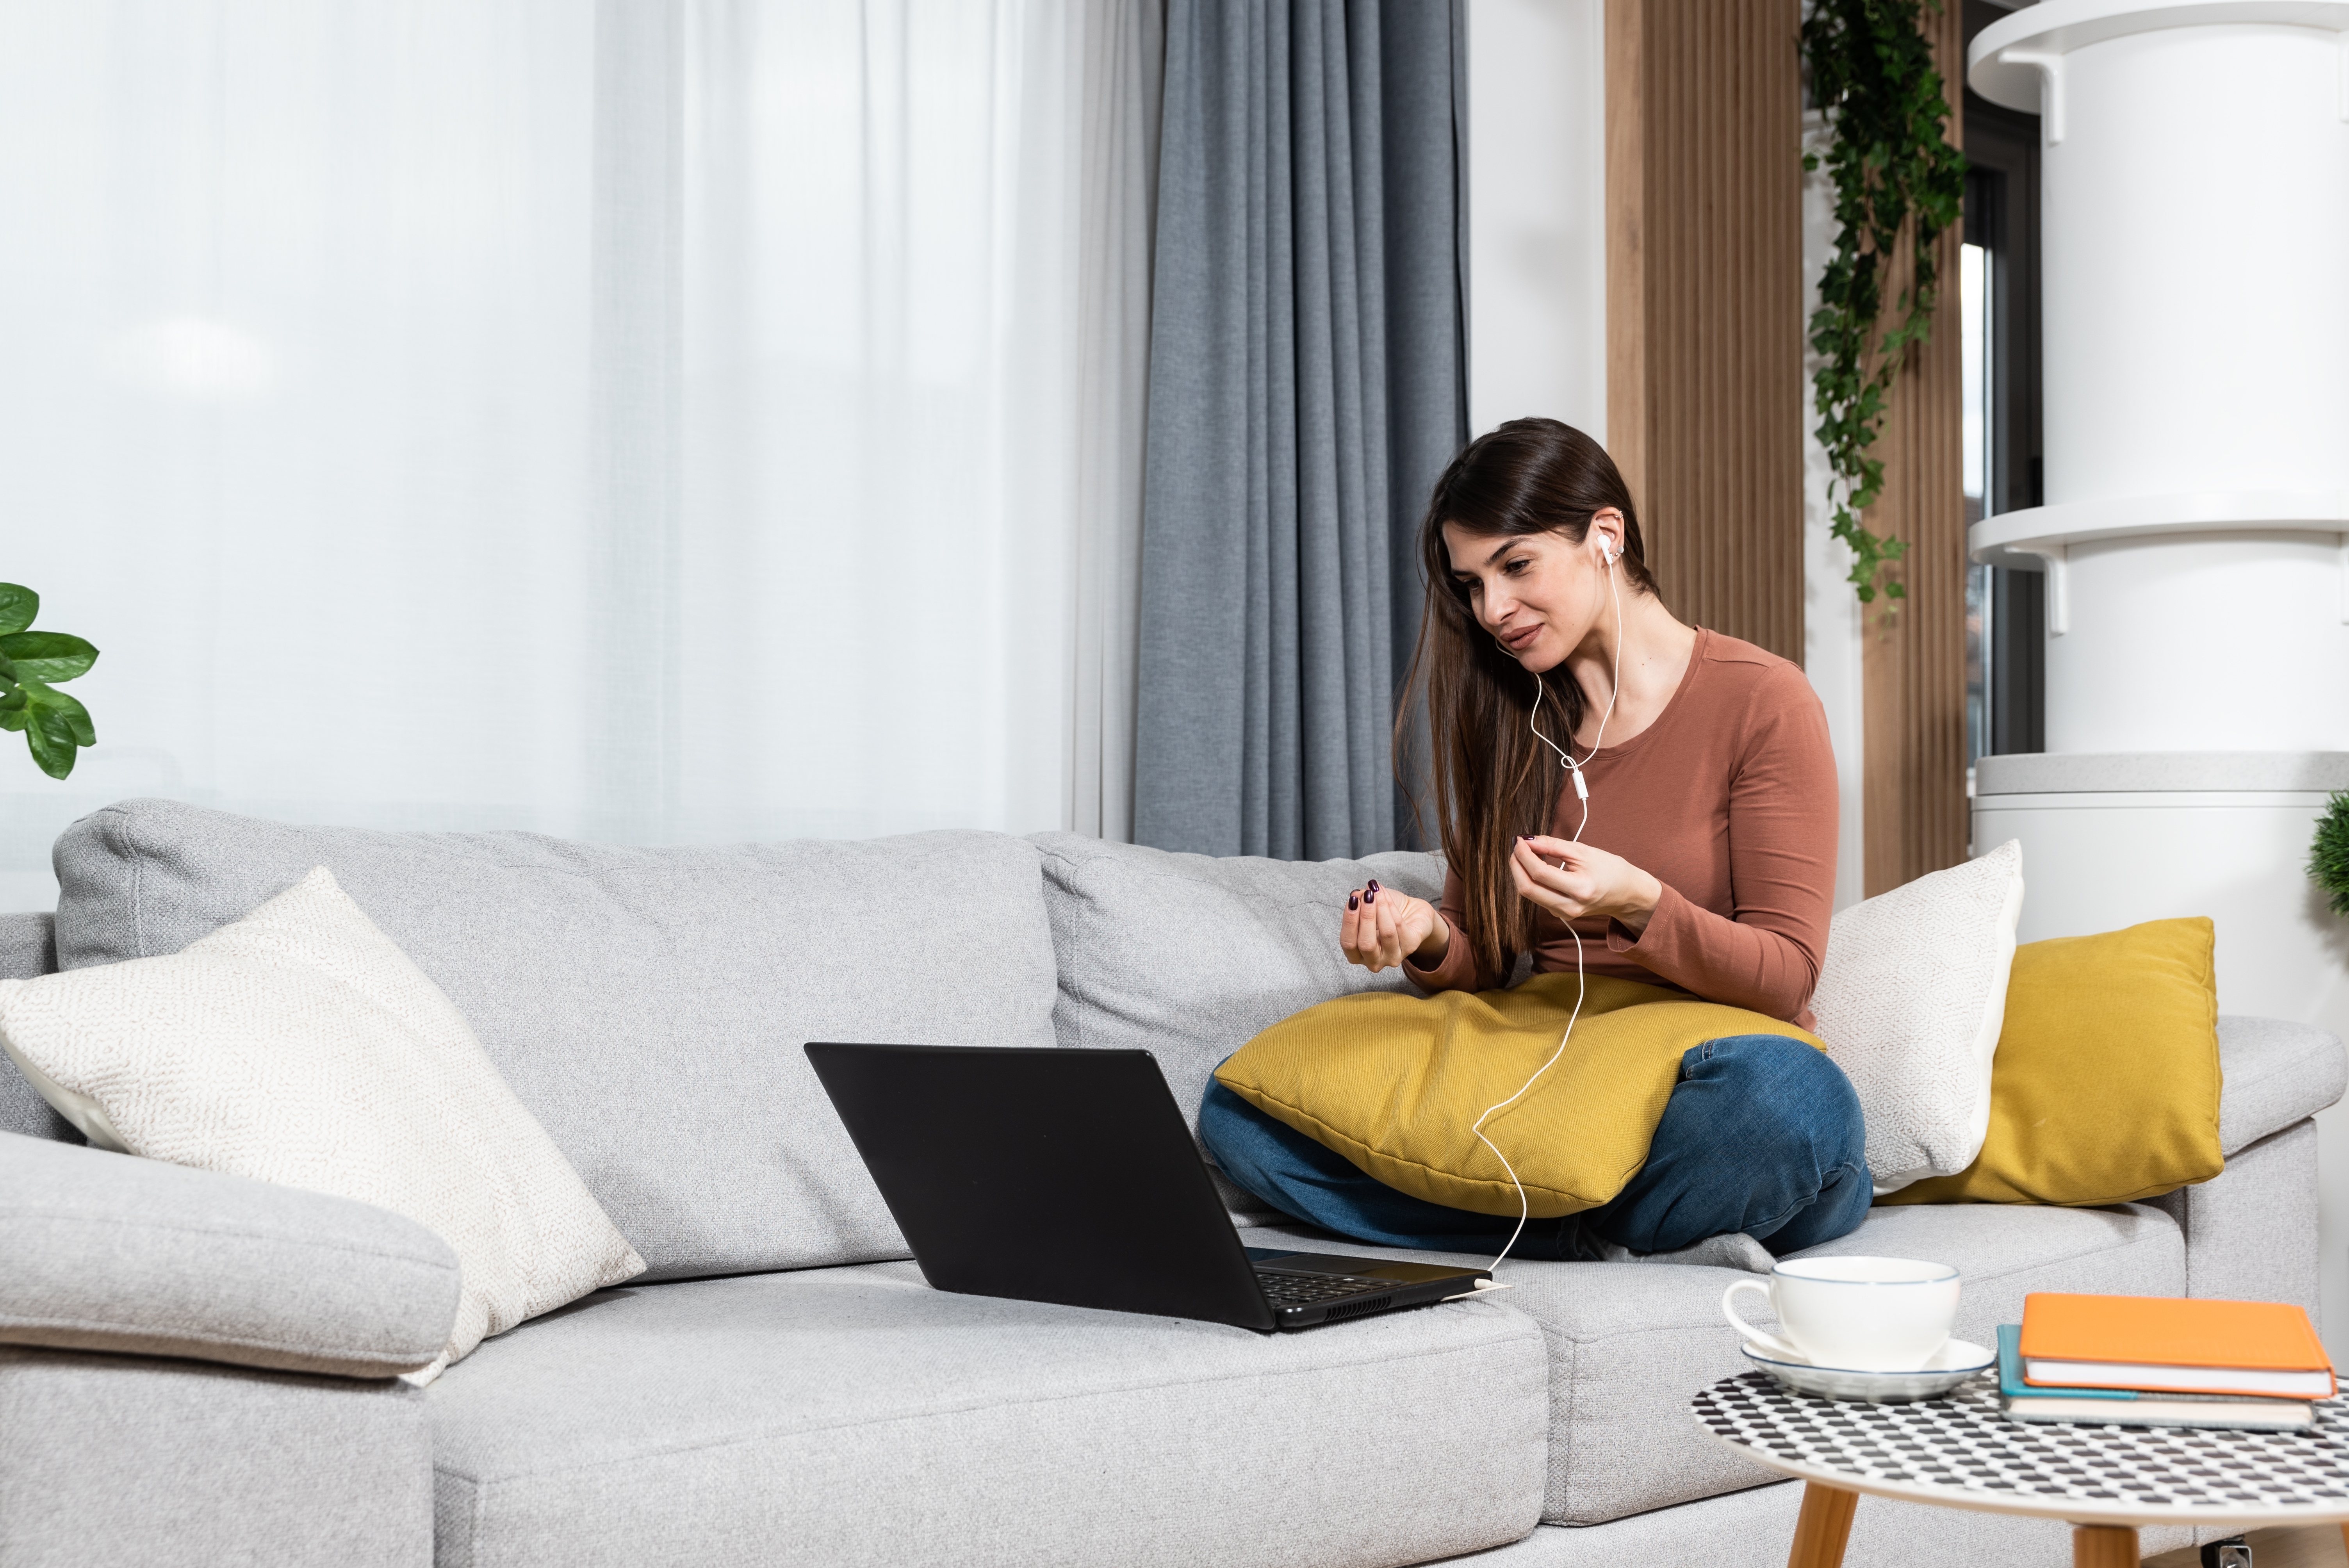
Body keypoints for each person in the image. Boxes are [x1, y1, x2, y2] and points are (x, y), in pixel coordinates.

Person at [1200, 418, 1870, 1261]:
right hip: (1554, 1074)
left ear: (1604, 537)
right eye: (1471, 584)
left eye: (1515, 566)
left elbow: (1783, 977)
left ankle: (1535, 1221)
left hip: (1702, 1069)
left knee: (1786, 1109)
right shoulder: (1506, 717)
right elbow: (1482, 960)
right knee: (1240, 1105)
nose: (1492, 610)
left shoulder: (1761, 701)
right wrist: (1428, 936)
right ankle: (1589, 1229)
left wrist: (1640, 905)